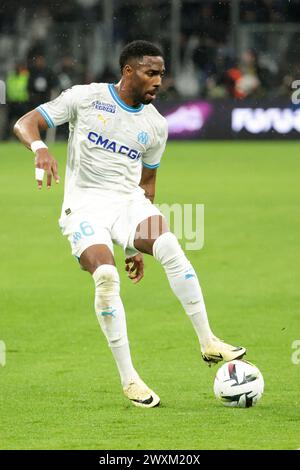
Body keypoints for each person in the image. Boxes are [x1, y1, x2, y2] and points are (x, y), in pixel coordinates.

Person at [14, 40, 246, 408]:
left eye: (161, 75)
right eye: (151, 73)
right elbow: (26, 123)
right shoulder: (86, 98)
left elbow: (147, 185)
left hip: (128, 204)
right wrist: (40, 150)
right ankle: (130, 380)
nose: (158, 81)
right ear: (128, 71)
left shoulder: (155, 126)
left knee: (168, 245)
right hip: (85, 207)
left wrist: (134, 245)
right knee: (106, 277)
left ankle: (208, 341)